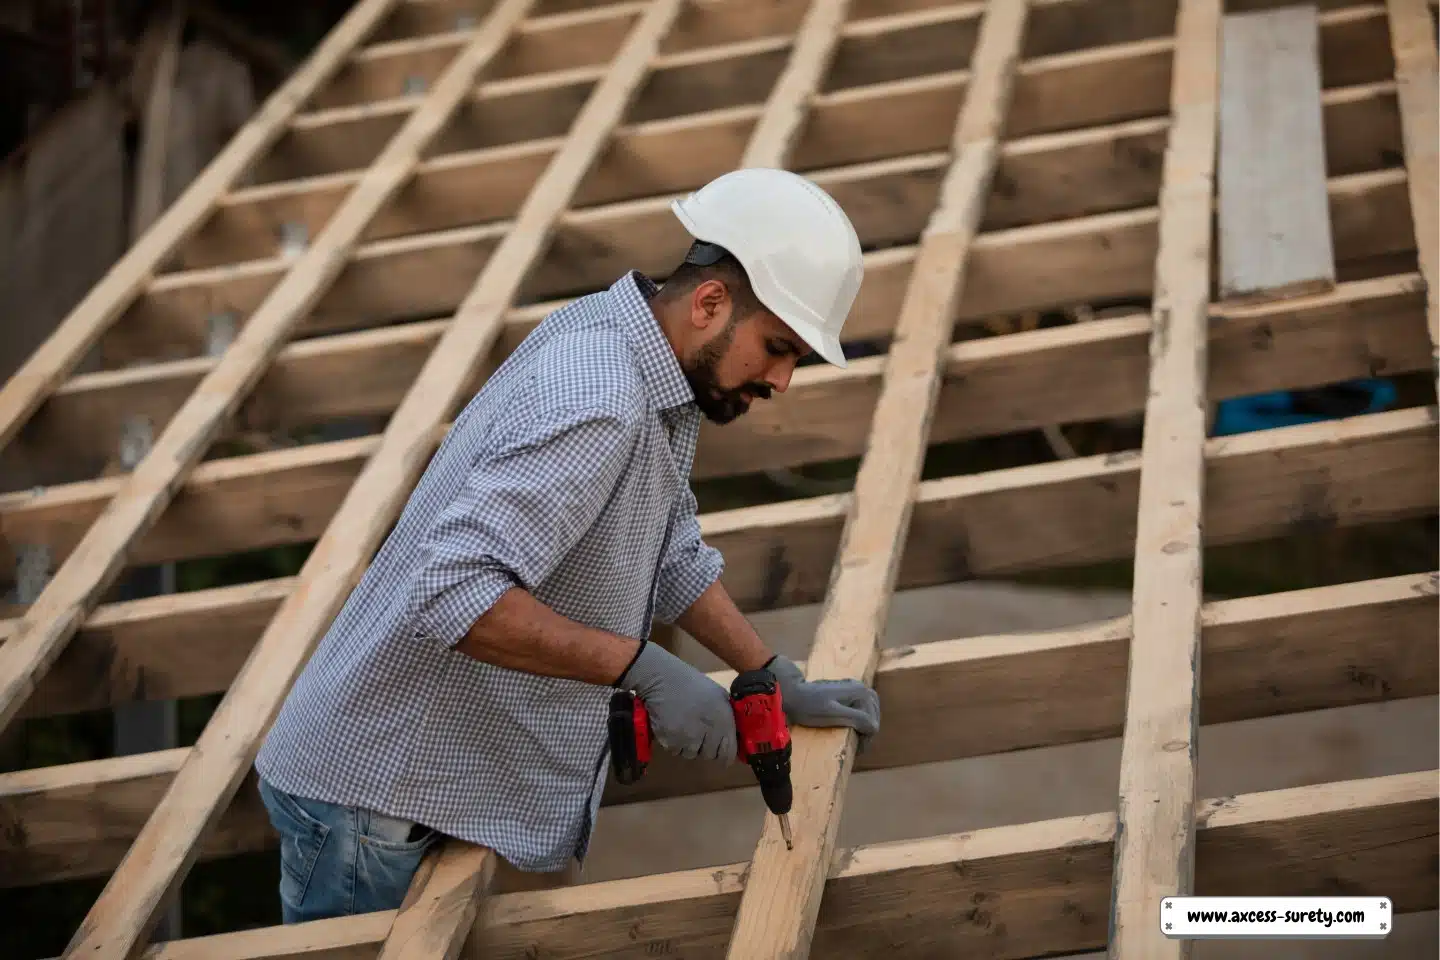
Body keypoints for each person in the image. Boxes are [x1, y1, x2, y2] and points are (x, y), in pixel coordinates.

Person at [253, 167, 882, 923]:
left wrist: (767, 672)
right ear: (711, 303)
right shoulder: (600, 397)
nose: (782, 380)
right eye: (777, 347)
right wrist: (641, 666)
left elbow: (668, 546)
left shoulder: (651, 361)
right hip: (379, 804)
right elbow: (452, 591)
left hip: (438, 790)